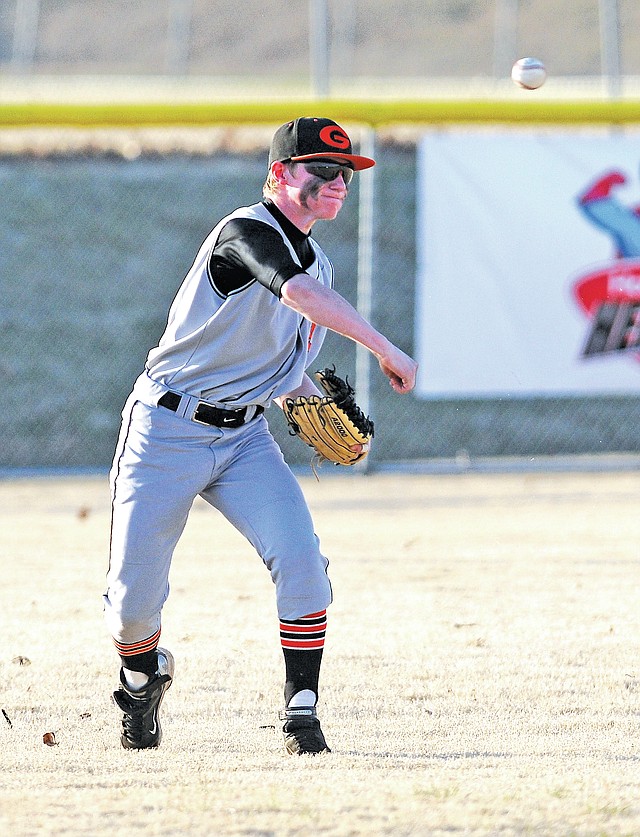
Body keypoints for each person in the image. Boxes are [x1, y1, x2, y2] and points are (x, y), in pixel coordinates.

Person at [103, 116, 418, 755]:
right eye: (321, 170)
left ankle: (301, 712)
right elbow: (292, 290)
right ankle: (142, 679)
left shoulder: (322, 264)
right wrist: (385, 348)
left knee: (303, 563)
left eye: (346, 174)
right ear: (279, 174)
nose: (337, 183)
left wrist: (317, 410)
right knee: (134, 603)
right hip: (166, 428)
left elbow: (286, 373)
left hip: (245, 439)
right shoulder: (244, 232)